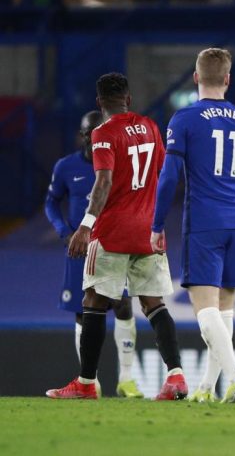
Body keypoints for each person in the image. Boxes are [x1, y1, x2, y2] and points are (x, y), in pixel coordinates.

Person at [151, 48, 235, 403]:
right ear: (228, 79)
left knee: (204, 308)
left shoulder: (184, 119)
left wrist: (156, 223)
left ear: (196, 78)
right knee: (225, 308)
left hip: (205, 219)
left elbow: (169, 178)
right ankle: (207, 388)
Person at [46, 72, 187, 400]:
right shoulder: (151, 126)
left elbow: (104, 183)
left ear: (99, 102)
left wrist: (84, 224)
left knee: (93, 301)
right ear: (129, 99)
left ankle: (86, 383)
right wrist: (158, 221)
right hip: (147, 229)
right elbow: (164, 174)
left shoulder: (103, 133)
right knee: (154, 304)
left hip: (111, 232)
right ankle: (177, 377)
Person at [45, 110, 143, 398]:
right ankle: (90, 380)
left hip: (115, 245)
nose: (97, 137)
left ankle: (126, 379)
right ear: (83, 135)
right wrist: (64, 230)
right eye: (91, 133)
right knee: (82, 312)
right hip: (81, 251)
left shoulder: (121, 164)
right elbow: (51, 201)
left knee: (123, 305)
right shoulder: (66, 167)